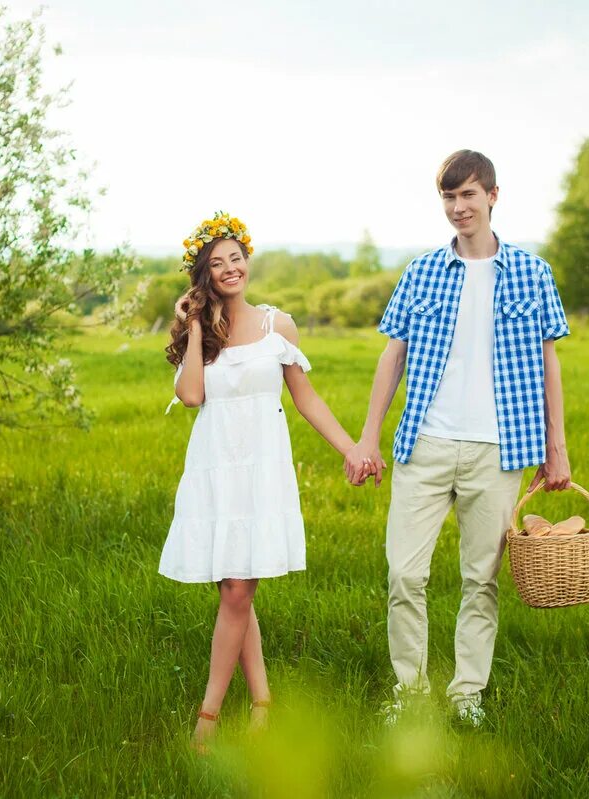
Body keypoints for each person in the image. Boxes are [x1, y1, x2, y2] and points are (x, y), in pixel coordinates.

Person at [344, 150, 572, 727]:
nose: (458, 207)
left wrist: (557, 447)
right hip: (425, 443)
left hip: (499, 451)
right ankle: (410, 693)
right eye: (449, 197)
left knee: (481, 581)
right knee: (404, 575)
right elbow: (391, 356)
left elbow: (549, 365)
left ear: (493, 196)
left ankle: (467, 694)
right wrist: (369, 438)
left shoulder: (531, 271)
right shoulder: (422, 272)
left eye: (468, 195)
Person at [160, 211, 361, 753]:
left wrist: (352, 448)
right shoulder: (200, 334)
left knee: (238, 588)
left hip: (262, 469)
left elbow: (307, 399)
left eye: (236, 258)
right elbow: (193, 396)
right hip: (215, 469)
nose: (230, 269)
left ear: (249, 261)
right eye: (217, 263)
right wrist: (197, 326)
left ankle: (208, 716)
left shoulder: (279, 326)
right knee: (235, 588)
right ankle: (263, 705)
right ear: (203, 275)